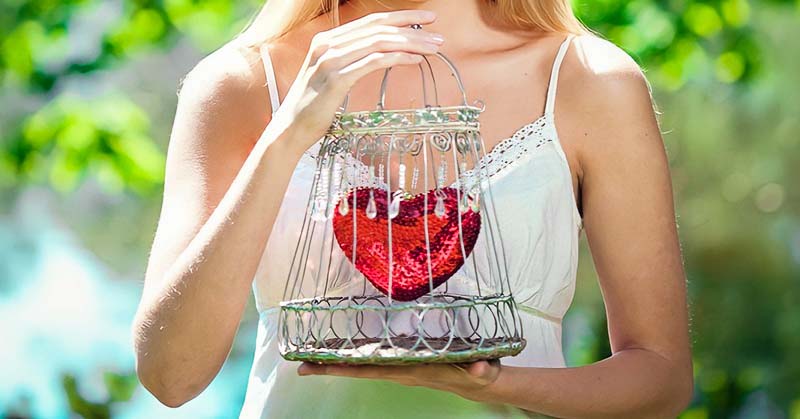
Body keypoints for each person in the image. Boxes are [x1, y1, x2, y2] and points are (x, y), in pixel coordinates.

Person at [131, 0, 694, 417]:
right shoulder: (240, 81)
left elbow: (661, 379)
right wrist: (289, 134)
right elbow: (170, 375)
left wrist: (494, 385)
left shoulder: (590, 79)